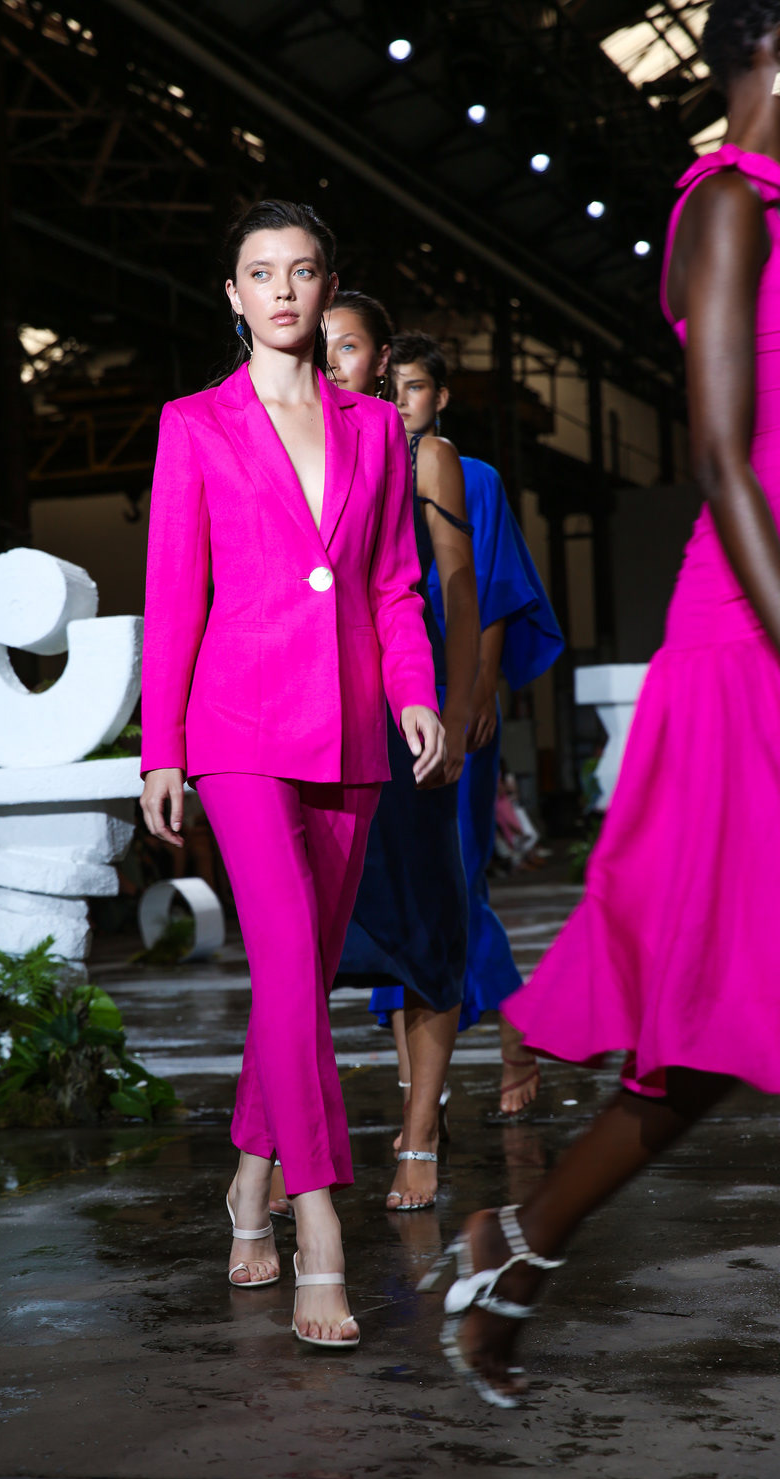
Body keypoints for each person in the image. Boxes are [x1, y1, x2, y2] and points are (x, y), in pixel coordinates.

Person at [438, 0, 780, 1408]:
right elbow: (721, 457)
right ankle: (516, 1250)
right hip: (751, 636)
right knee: (714, 1006)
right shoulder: (729, 203)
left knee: (728, 1016)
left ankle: (516, 1252)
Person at [139, 201, 445, 1347]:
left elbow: (392, 584)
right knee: (281, 962)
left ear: (326, 287)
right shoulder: (194, 424)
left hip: (351, 728)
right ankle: (318, 1228)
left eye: (302, 271)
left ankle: (248, 1176)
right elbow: (175, 594)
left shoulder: (374, 427)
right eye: (260, 273)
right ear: (232, 294)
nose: (281, 290)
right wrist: (161, 748)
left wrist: (413, 691)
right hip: (235, 729)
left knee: (297, 983)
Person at [376, 334, 565, 1118]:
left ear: (441, 396)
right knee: (391, 883)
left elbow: (482, 591)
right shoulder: (367, 466)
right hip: (384, 699)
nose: (401, 401)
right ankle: (420, 1094)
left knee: (456, 875)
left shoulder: (470, 476)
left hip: (454, 698)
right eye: (391, 386)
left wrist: (479, 692)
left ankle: (516, 1023)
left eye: (415, 387)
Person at [329, 291, 481, 1213]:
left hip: (406, 709)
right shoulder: (295, 443)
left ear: (381, 360)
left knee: (425, 923)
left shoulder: (424, 453)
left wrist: (458, 709)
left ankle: (421, 1133)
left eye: (349, 345)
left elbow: (456, 584)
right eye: (324, 345)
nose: (332, 359)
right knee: (313, 940)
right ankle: (290, 1141)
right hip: (317, 713)